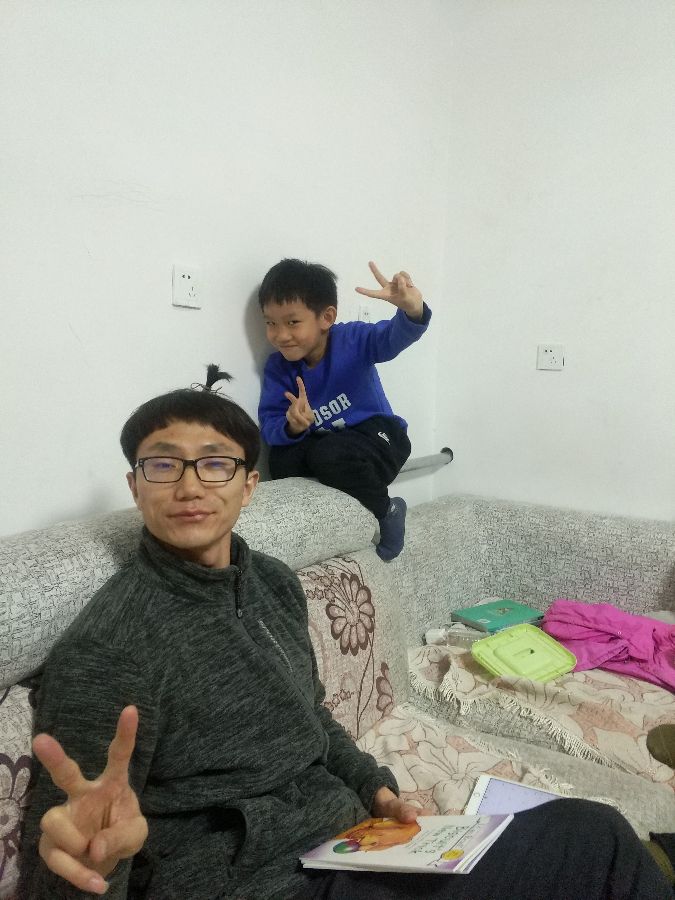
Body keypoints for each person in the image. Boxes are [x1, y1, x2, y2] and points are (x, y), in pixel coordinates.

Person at [20, 375, 673, 900]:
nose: (190, 485)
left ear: (249, 487)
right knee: (600, 844)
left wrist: (374, 786)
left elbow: (310, 716)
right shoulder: (109, 650)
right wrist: (96, 863)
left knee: (592, 833)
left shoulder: (272, 582)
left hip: (348, 845)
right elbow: (76, 848)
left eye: (215, 464)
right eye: (163, 464)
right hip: (259, 883)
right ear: (136, 487)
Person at [257, 259, 431, 561]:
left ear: (326, 317)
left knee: (330, 454)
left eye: (292, 322)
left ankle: (388, 510)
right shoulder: (278, 367)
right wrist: (291, 426)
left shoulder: (352, 339)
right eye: (271, 323)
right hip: (328, 443)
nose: (280, 335)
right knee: (281, 459)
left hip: (380, 437)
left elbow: (390, 338)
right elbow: (270, 422)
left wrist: (412, 311)